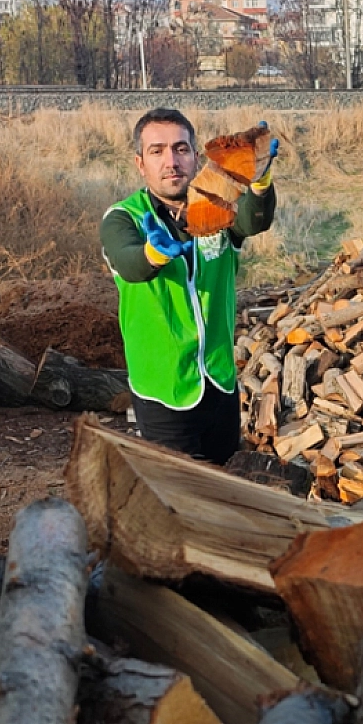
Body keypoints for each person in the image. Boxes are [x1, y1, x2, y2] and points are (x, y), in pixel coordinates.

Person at [100, 107, 277, 464]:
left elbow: (254, 221)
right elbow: (130, 264)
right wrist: (153, 252)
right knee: (179, 499)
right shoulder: (123, 218)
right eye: (157, 150)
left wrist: (258, 183)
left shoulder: (218, 205)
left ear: (196, 157)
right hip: (165, 390)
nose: (171, 161)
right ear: (140, 163)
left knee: (225, 486)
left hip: (219, 381)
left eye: (181, 149)